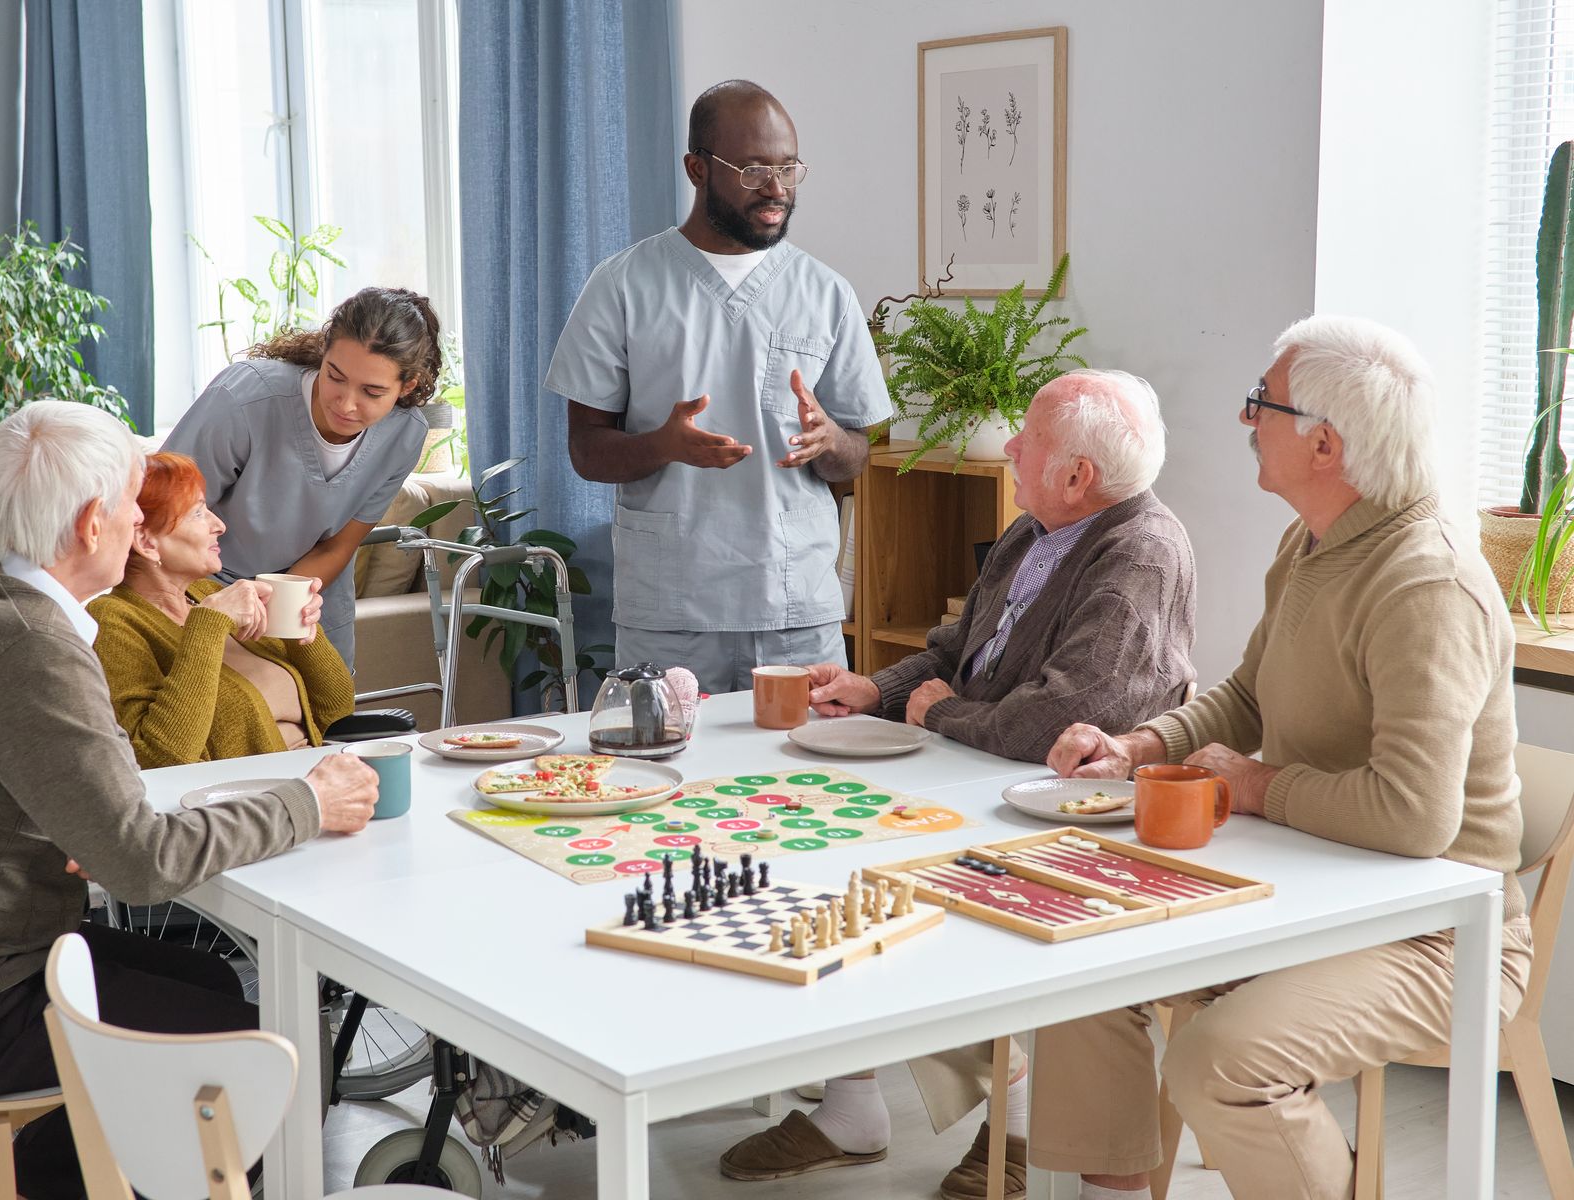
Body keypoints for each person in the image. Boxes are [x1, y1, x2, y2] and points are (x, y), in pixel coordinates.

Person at [0, 401, 380, 1200]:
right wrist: (306, 802)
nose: (134, 520)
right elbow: (140, 861)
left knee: (213, 991)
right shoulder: (30, 645)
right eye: (127, 504)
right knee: (255, 1057)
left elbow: (74, 794)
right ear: (90, 525)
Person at [1033, 316, 1534, 1200]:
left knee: (1222, 1059)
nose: (1244, 419)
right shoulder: (1312, 542)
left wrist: (1257, 786)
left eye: (1260, 404)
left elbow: (1417, 820)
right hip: (1318, 890)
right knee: (1083, 965)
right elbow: (1250, 697)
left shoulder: (1427, 583)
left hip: (1439, 934)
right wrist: (1140, 745)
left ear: (1326, 445)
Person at [719, 370, 1196, 1198]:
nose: (1009, 445)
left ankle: (1012, 1122)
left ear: (1078, 474)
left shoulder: (1140, 551)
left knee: (897, 889)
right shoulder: (1034, 528)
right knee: (831, 859)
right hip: (984, 784)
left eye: (1028, 438)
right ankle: (854, 1105)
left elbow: (1059, 722)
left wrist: (937, 717)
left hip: (1079, 821)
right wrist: (882, 690)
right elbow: (951, 654)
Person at [547, 79, 891, 694]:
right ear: (696, 168)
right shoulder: (622, 286)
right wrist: (664, 445)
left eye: (788, 168)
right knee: (664, 776)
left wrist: (831, 441)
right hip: (672, 614)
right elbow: (586, 451)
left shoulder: (827, 292)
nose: (777, 189)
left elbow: (857, 457)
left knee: (810, 784)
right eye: (755, 169)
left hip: (795, 611)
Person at [161, 286, 440, 669]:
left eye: (372, 392)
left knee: (325, 718)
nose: (345, 403)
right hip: (206, 586)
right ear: (324, 352)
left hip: (308, 597)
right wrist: (219, 606)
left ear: (406, 387)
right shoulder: (244, 399)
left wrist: (285, 602)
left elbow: (337, 546)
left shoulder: (404, 434)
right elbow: (161, 514)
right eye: (335, 376)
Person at [89, 451, 355, 768]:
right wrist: (209, 626)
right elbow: (158, 758)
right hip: (251, 801)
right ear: (146, 542)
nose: (219, 525)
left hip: (320, 773)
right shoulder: (113, 622)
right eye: (199, 513)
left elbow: (338, 712)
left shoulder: (211, 594)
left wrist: (301, 632)